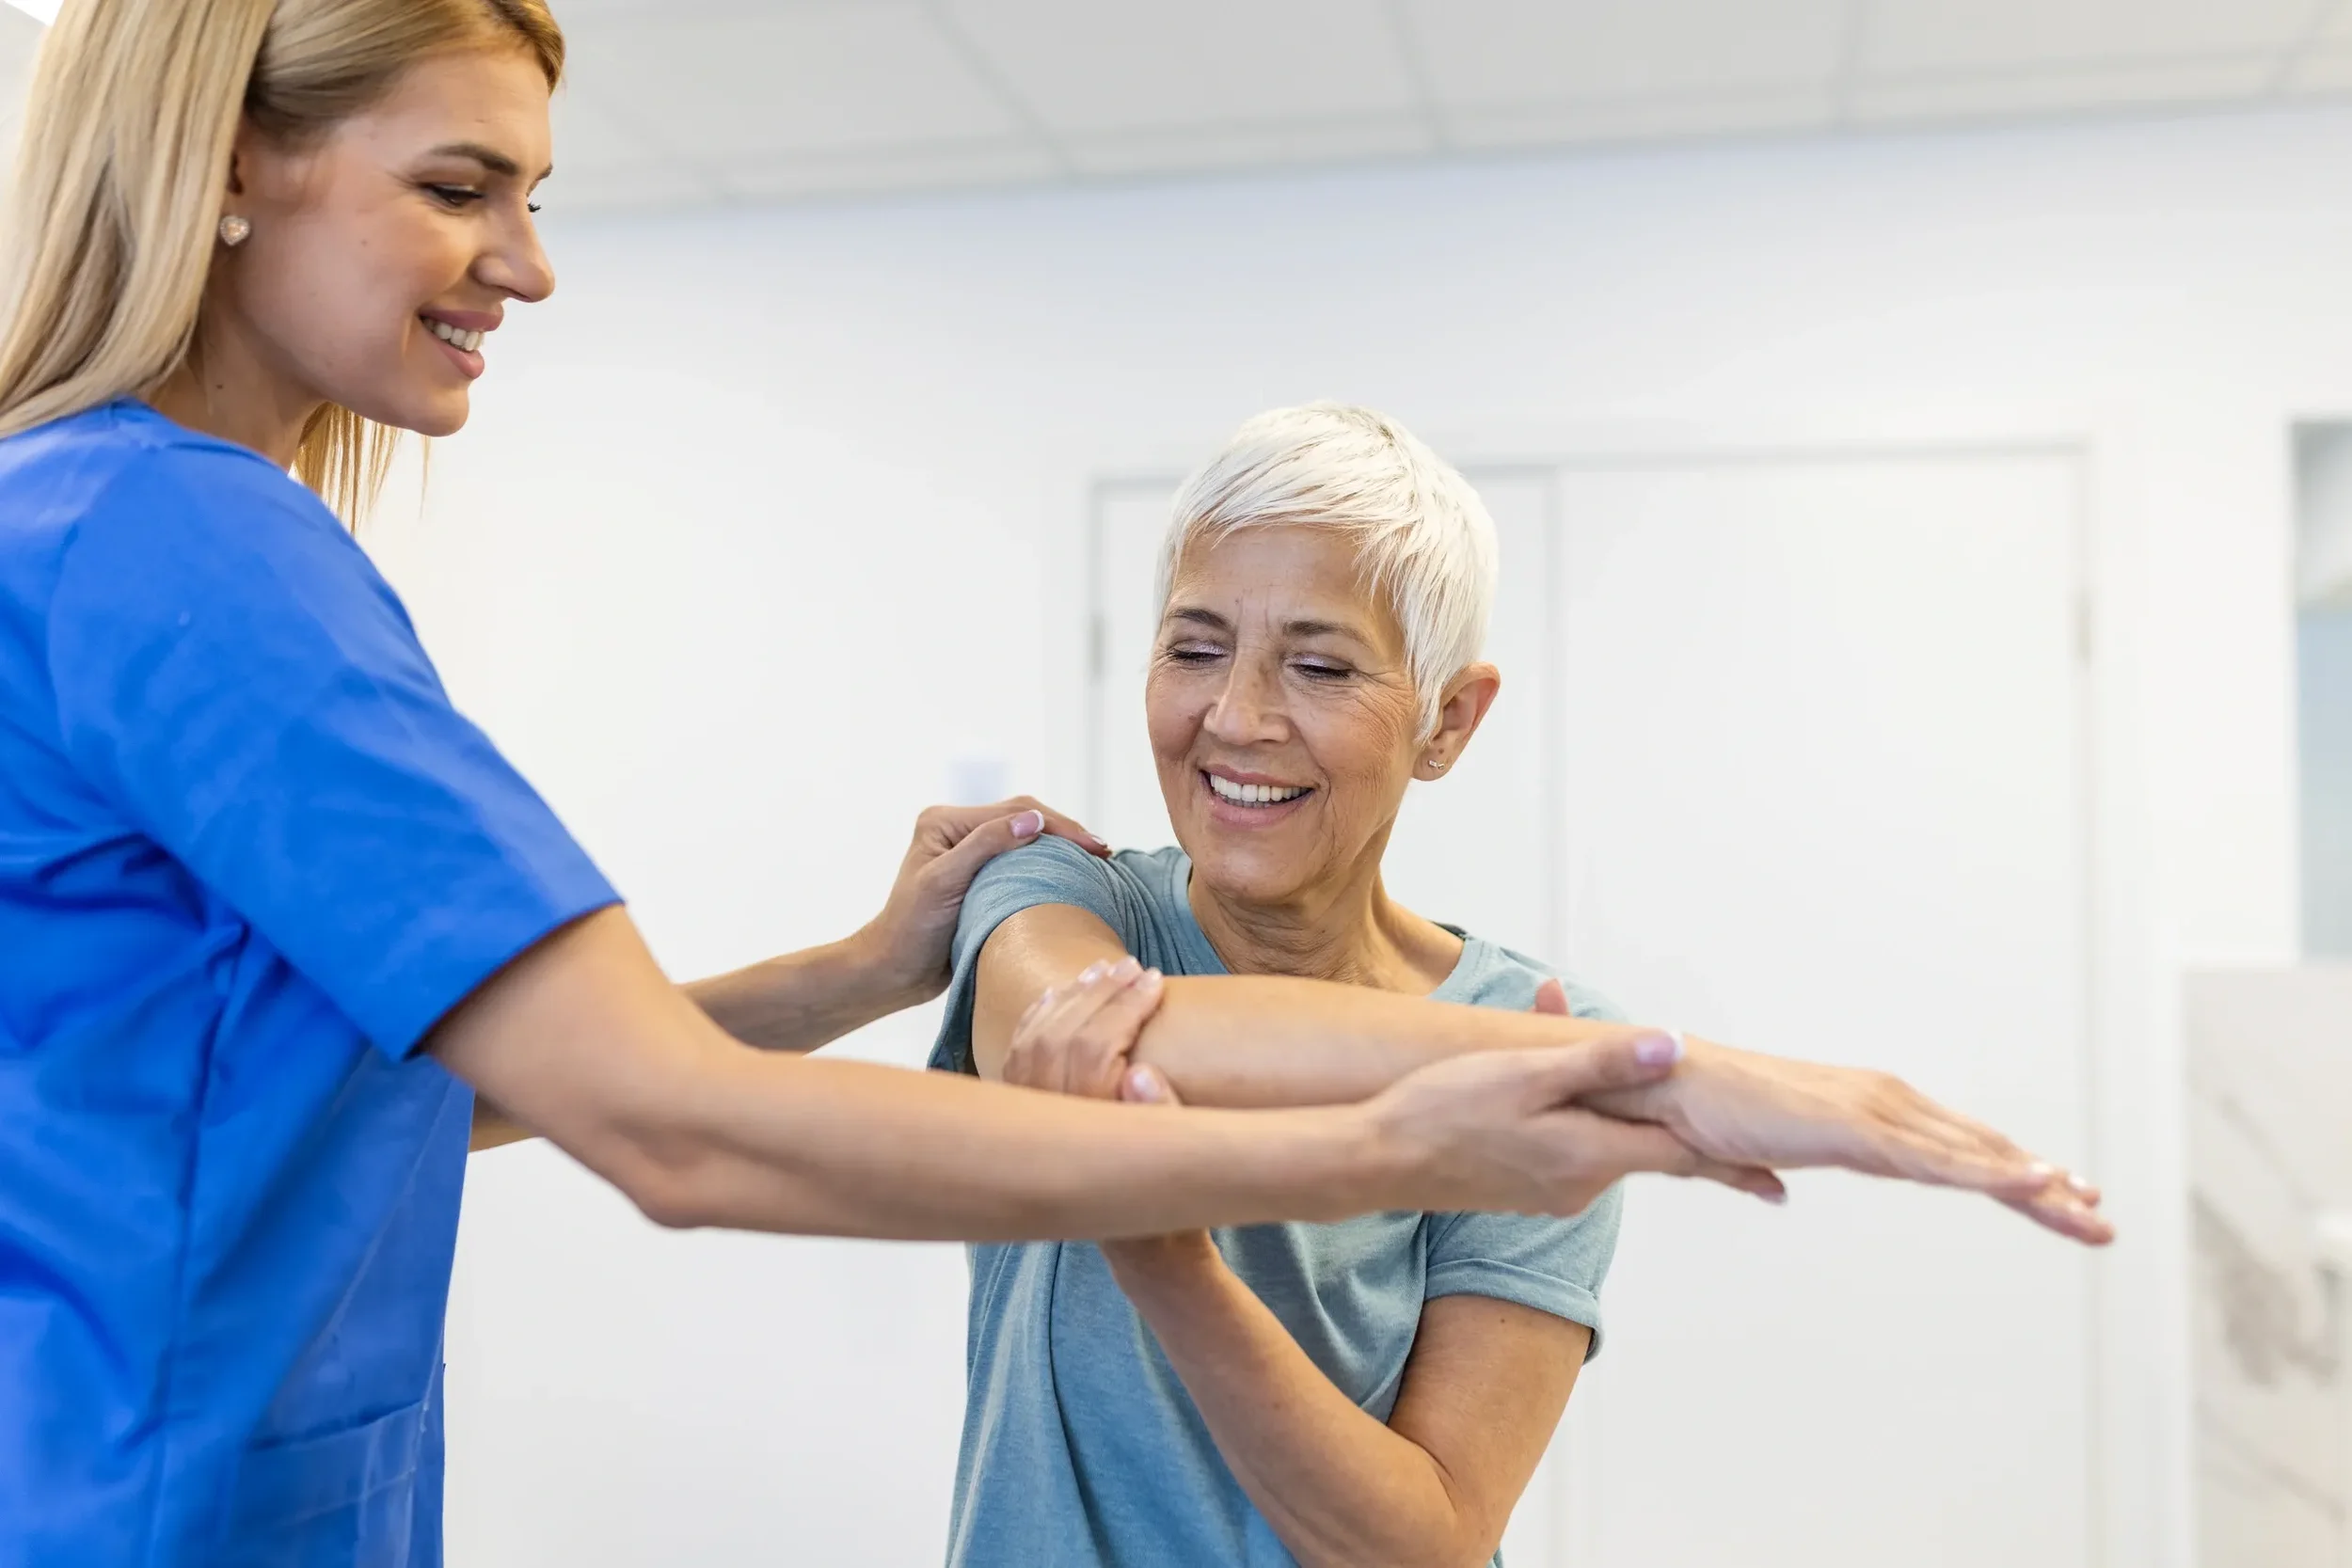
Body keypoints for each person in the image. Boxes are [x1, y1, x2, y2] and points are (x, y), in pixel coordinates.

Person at [0, 4, 2093, 1562]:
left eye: (1321, 663)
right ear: (225, 166)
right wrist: (1490, 1105)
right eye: (461, 189)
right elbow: (671, 1115)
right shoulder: (183, 552)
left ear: (1445, 716)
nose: (529, 265)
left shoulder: (137, 534)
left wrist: (843, 968)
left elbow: (394, 1096)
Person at [928, 404, 2112, 1568]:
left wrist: (1167, 1261)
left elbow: (1427, 1542)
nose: (1236, 715)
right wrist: (1652, 1080)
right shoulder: (1057, 896)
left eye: (1320, 664)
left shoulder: (1554, 1041)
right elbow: (1085, 1033)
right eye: (1193, 648)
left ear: (1447, 719)